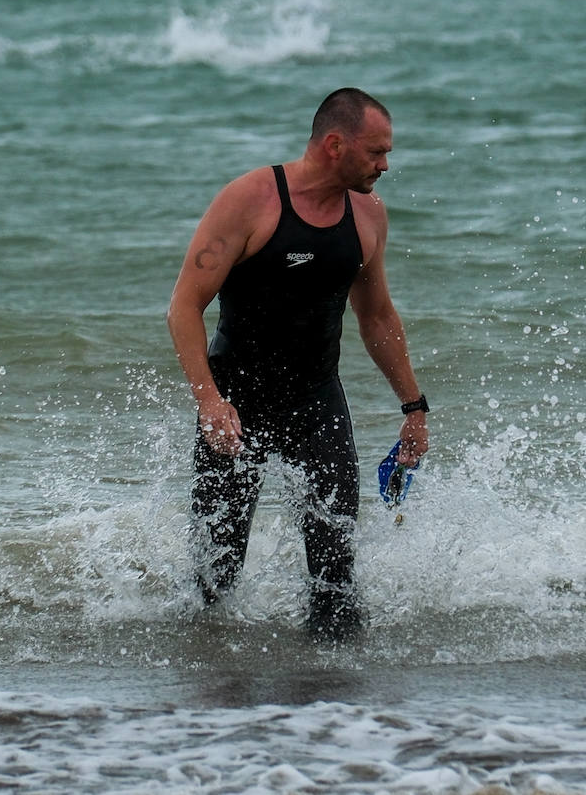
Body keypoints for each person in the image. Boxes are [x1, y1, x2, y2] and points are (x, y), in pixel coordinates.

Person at [166, 88, 429, 641]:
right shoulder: (251, 200)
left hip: (316, 404)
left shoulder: (368, 214)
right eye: (376, 152)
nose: (386, 164)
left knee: (336, 582)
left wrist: (414, 407)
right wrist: (210, 402)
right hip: (237, 405)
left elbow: (377, 315)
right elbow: (184, 307)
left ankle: (330, 712)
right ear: (335, 144)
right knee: (216, 577)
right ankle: (212, 707)